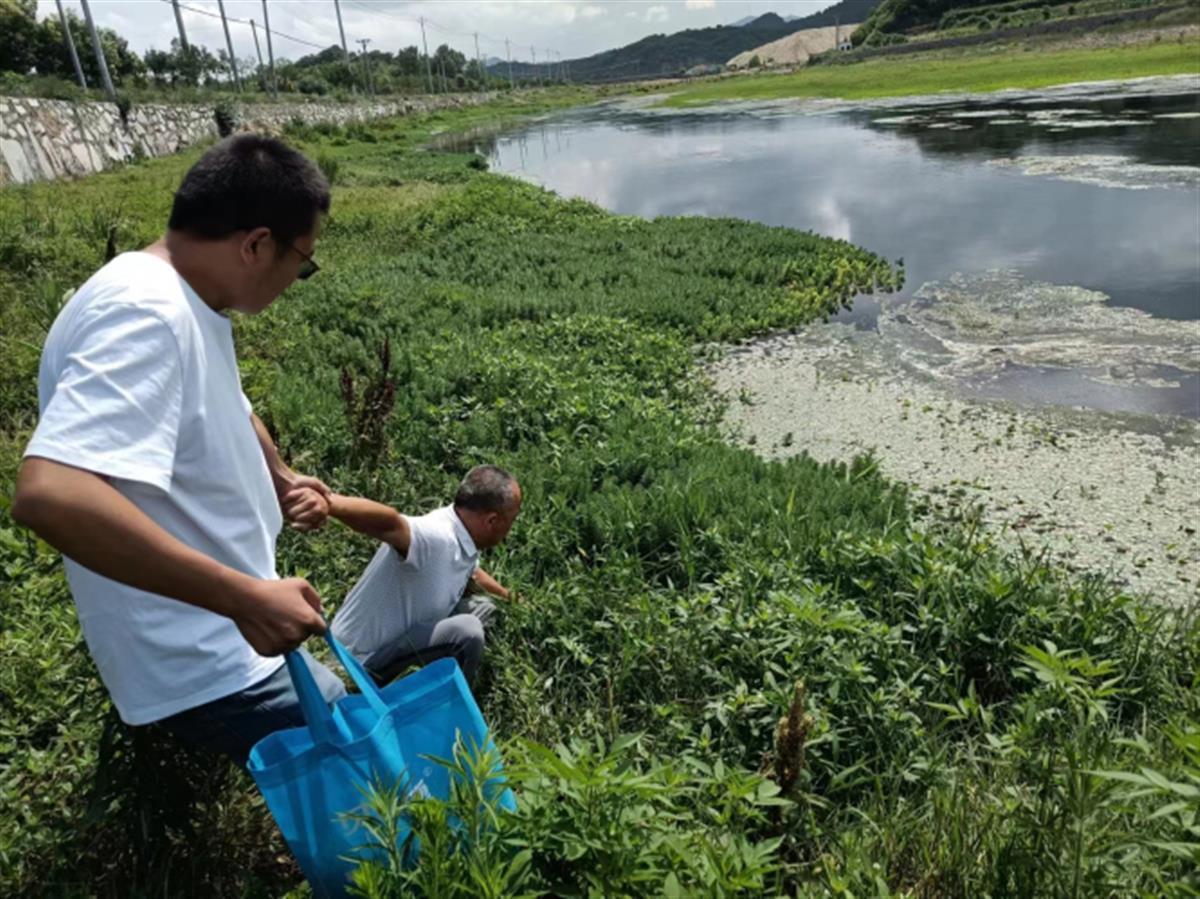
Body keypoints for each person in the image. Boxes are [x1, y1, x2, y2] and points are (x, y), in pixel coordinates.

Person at [11, 134, 344, 767]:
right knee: (368, 765)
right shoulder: (147, 312)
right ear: (255, 244)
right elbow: (49, 493)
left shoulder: (183, 294)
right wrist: (245, 599)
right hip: (202, 658)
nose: (297, 280)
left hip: (220, 633)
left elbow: (230, 403)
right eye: (302, 262)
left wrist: (279, 475)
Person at [326, 465, 521, 685]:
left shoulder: (463, 534)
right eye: (511, 522)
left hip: (402, 638)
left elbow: (473, 572)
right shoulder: (436, 535)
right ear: (491, 521)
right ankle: (446, 706)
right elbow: (389, 525)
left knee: (485, 609)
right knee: (469, 632)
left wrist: (514, 599)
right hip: (359, 663)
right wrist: (327, 502)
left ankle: (434, 676)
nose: (510, 530)